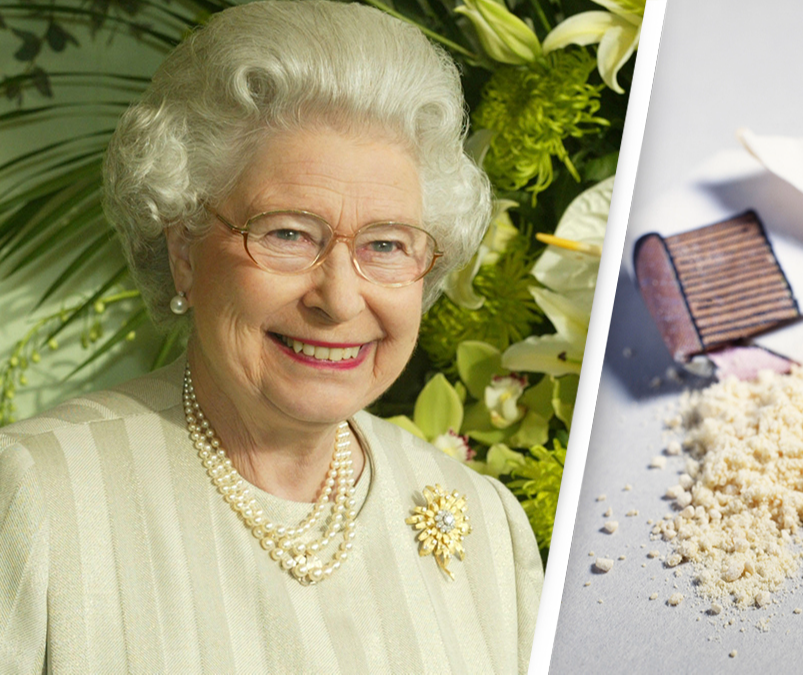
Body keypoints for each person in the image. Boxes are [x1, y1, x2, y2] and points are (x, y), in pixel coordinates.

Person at [0, 2, 542, 672]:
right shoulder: (41, 494)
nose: (340, 298)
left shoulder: (486, 524)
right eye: (288, 233)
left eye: (386, 244)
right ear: (185, 252)